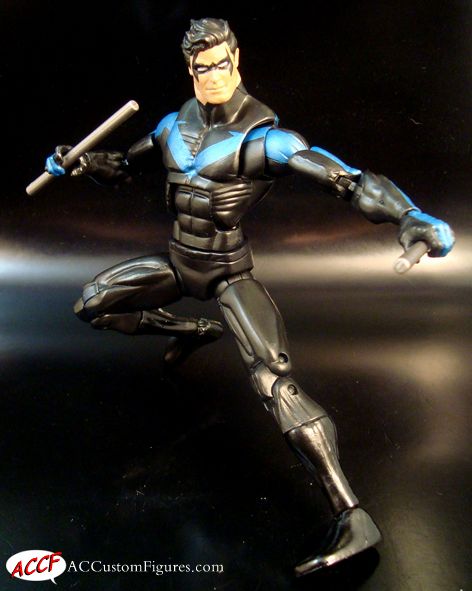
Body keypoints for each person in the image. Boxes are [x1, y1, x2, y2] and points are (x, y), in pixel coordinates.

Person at [45, 17, 454, 576]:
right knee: (91, 303)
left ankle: (353, 515)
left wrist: (409, 215)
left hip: (227, 273)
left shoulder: (265, 140)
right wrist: (81, 161)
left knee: (274, 381)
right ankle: (191, 330)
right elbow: (120, 167)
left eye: (222, 63)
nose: (213, 75)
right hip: (178, 262)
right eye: (202, 67)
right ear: (190, 71)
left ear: (237, 61)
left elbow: (348, 180)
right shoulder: (171, 127)